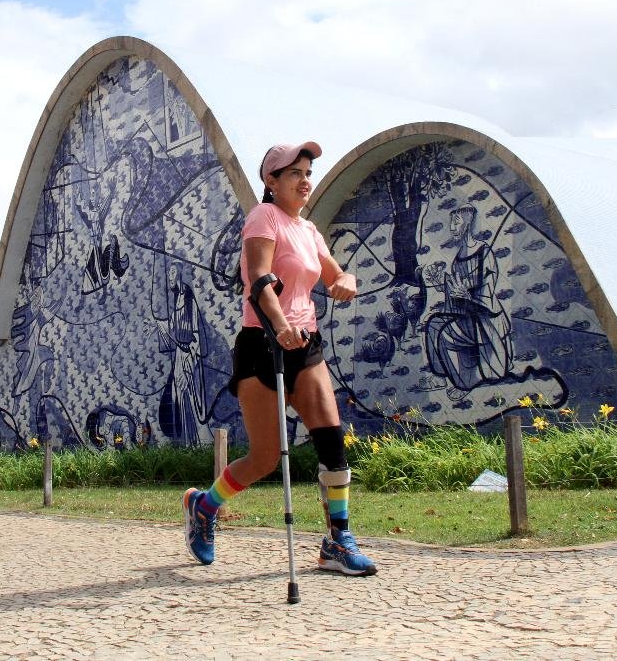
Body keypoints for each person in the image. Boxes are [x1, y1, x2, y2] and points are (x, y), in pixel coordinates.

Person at [182, 142, 377, 576]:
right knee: (265, 458)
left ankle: (337, 541)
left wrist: (347, 280)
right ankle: (204, 505)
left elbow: (335, 272)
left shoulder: (308, 231)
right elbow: (258, 280)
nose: (305, 181)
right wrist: (279, 324)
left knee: (331, 438)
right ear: (272, 181)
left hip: (305, 346)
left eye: (308, 173)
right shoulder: (263, 218)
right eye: (295, 174)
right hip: (262, 344)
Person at [421, 205, 512, 392]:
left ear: (468, 223)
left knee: (445, 332)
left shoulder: (483, 252)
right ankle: (441, 377)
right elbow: (454, 294)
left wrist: (468, 295)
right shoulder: (458, 258)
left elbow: (489, 288)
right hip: (466, 316)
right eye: (451, 224)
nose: (452, 228)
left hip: (485, 318)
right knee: (434, 324)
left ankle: (465, 382)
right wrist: (441, 285)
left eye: (456, 223)